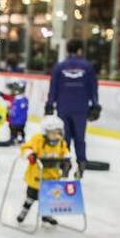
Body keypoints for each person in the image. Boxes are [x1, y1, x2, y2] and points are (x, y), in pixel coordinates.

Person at [46, 39, 100, 177]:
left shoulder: (59, 67)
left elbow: (53, 88)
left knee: (64, 137)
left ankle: (65, 164)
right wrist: (95, 104)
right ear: (80, 50)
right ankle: (81, 164)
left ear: (68, 50)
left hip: (63, 107)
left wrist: (50, 104)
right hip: (80, 108)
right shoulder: (87, 67)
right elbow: (92, 87)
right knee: (79, 138)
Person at [16, 115, 70, 225]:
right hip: (37, 177)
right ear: (45, 132)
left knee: (49, 198)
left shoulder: (61, 143)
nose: (55, 135)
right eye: (52, 132)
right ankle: (24, 211)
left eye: (57, 132)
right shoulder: (38, 140)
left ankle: (47, 215)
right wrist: (30, 155)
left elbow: (65, 152)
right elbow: (25, 148)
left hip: (52, 177)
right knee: (31, 197)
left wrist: (66, 162)